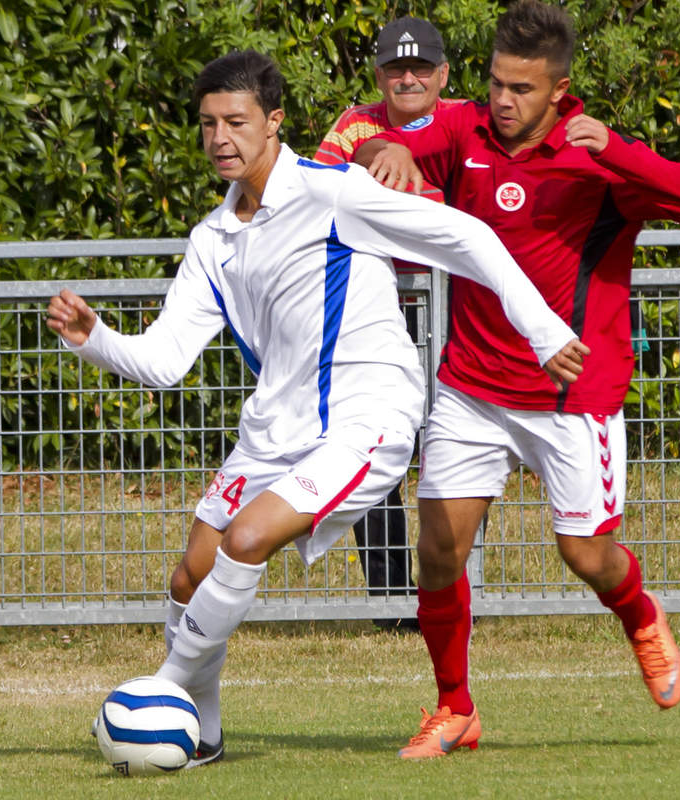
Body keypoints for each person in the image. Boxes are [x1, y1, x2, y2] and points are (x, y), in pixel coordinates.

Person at [47, 49, 588, 767]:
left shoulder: (332, 191)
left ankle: (160, 693)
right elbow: (165, 362)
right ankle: (200, 732)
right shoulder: (213, 239)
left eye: (235, 121)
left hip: (369, 419)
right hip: (279, 429)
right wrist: (94, 339)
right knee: (191, 576)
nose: (219, 138)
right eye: (207, 124)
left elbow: (468, 236)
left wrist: (544, 329)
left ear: (274, 122)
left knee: (246, 540)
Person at [354, 0, 680, 758]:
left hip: (572, 393)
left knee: (586, 555)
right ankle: (454, 707)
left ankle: (641, 614)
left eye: (521, 89)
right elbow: (394, 136)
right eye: (494, 83)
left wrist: (619, 150)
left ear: (559, 89)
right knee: (437, 550)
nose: (503, 100)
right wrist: (381, 153)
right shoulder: (468, 131)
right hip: (473, 385)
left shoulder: (597, 158)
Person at [313, 16, 464, 629]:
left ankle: (449, 598)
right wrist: (378, 149)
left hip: (455, 312)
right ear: (378, 75)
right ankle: (392, 604)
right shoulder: (353, 125)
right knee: (379, 451)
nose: (408, 78)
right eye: (396, 69)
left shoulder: (465, 121)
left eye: (420, 69)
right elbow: (316, 195)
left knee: (452, 455)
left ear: (442, 76)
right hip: (378, 316)